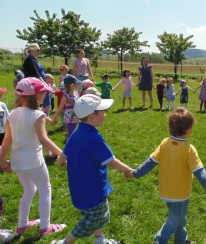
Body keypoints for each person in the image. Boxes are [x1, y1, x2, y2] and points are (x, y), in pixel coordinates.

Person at [126, 107, 206, 244]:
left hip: (165, 192)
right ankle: (159, 240)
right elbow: (201, 174)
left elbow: (150, 163)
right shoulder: (189, 149)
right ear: (189, 129)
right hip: (180, 195)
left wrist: (135, 173)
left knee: (180, 218)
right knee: (174, 220)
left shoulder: (164, 143)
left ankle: (181, 240)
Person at [52, 94, 133, 244]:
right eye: (102, 112)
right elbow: (111, 161)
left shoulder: (77, 132)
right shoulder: (93, 137)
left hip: (80, 186)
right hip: (92, 188)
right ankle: (65, 242)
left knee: (100, 214)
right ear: (91, 116)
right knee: (92, 220)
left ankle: (100, 240)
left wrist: (61, 162)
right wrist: (127, 169)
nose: (105, 115)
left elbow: (63, 155)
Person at [0, 77, 66, 237]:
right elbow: (44, 139)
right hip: (34, 161)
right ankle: (45, 227)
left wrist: (2, 161)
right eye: (43, 93)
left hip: (17, 161)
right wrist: (63, 154)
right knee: (45, 189)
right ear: (36, 95)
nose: (45, 95)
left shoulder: (13, 113)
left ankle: (22, 225)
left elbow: (7, 140)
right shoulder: (38, 114)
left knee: (29, 190)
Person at [51, 75, 82, 140]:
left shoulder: (76, 93)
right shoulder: (66, 96)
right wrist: (55, 118)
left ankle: (72, 147)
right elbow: (60, 108)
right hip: (69, 117)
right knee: (70, 134)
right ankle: (69, 148)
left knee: (74, 133)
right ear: (71, 85)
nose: (77, 84)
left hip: (75, 117)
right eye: (76, 83)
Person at [23, 43, 51, 112]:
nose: (40, 51)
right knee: (39, 105)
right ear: (32, 50)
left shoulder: (33, 60)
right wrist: (45, 85)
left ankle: (42, 119)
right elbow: (36, 74)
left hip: (39, 85)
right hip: (35, 87)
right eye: (38, 50)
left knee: (44, 104)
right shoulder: (29, 60)